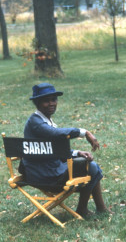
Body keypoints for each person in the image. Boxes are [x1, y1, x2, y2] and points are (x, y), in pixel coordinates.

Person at [22, 83, 111, 217]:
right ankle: (85, 209)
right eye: (46, 101)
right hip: (42, 173)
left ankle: (96, 208)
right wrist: (84, 132)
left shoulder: (45, 121)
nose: (51, 103)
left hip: (51, 168)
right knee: (90, 166)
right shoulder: (36, 123)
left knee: (88, 164)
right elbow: (55, 134)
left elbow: (52, 149)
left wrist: (76, 153)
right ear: (37, 103)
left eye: (54, 99)